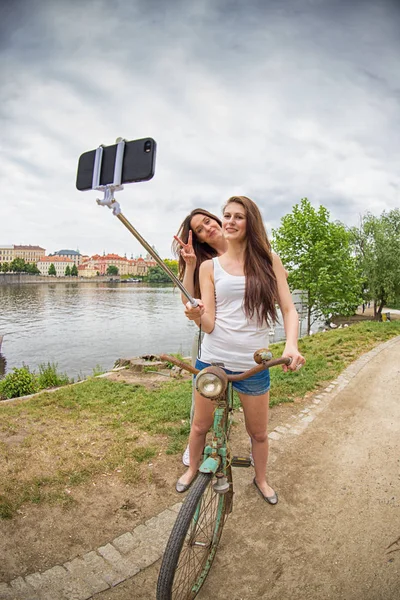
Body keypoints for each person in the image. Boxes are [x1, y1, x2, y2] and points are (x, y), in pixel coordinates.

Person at [176, 196, 305, 505]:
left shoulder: (269, 260)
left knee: (258, 433)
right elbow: (208, 323)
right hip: (213, 360)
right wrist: (197, 315)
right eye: (227, 215)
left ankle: (260, 479)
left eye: (237, 216)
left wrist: (291, 344)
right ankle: (192, 469)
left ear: (251, 223)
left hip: (253, 366)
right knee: (199, 426)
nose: (230, 221)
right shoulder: (208, 267)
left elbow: (289, 309)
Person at [172, 209, 228, 466]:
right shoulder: (204, 261)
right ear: (200, 239)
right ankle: (196, 439)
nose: (208, 229)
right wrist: (191, 263)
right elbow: (187, 299)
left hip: (238, 331)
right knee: (202, 385)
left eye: (208, 221)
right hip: (209, 330)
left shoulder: (241, 247)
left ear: (216, 219)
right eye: (201, 230)